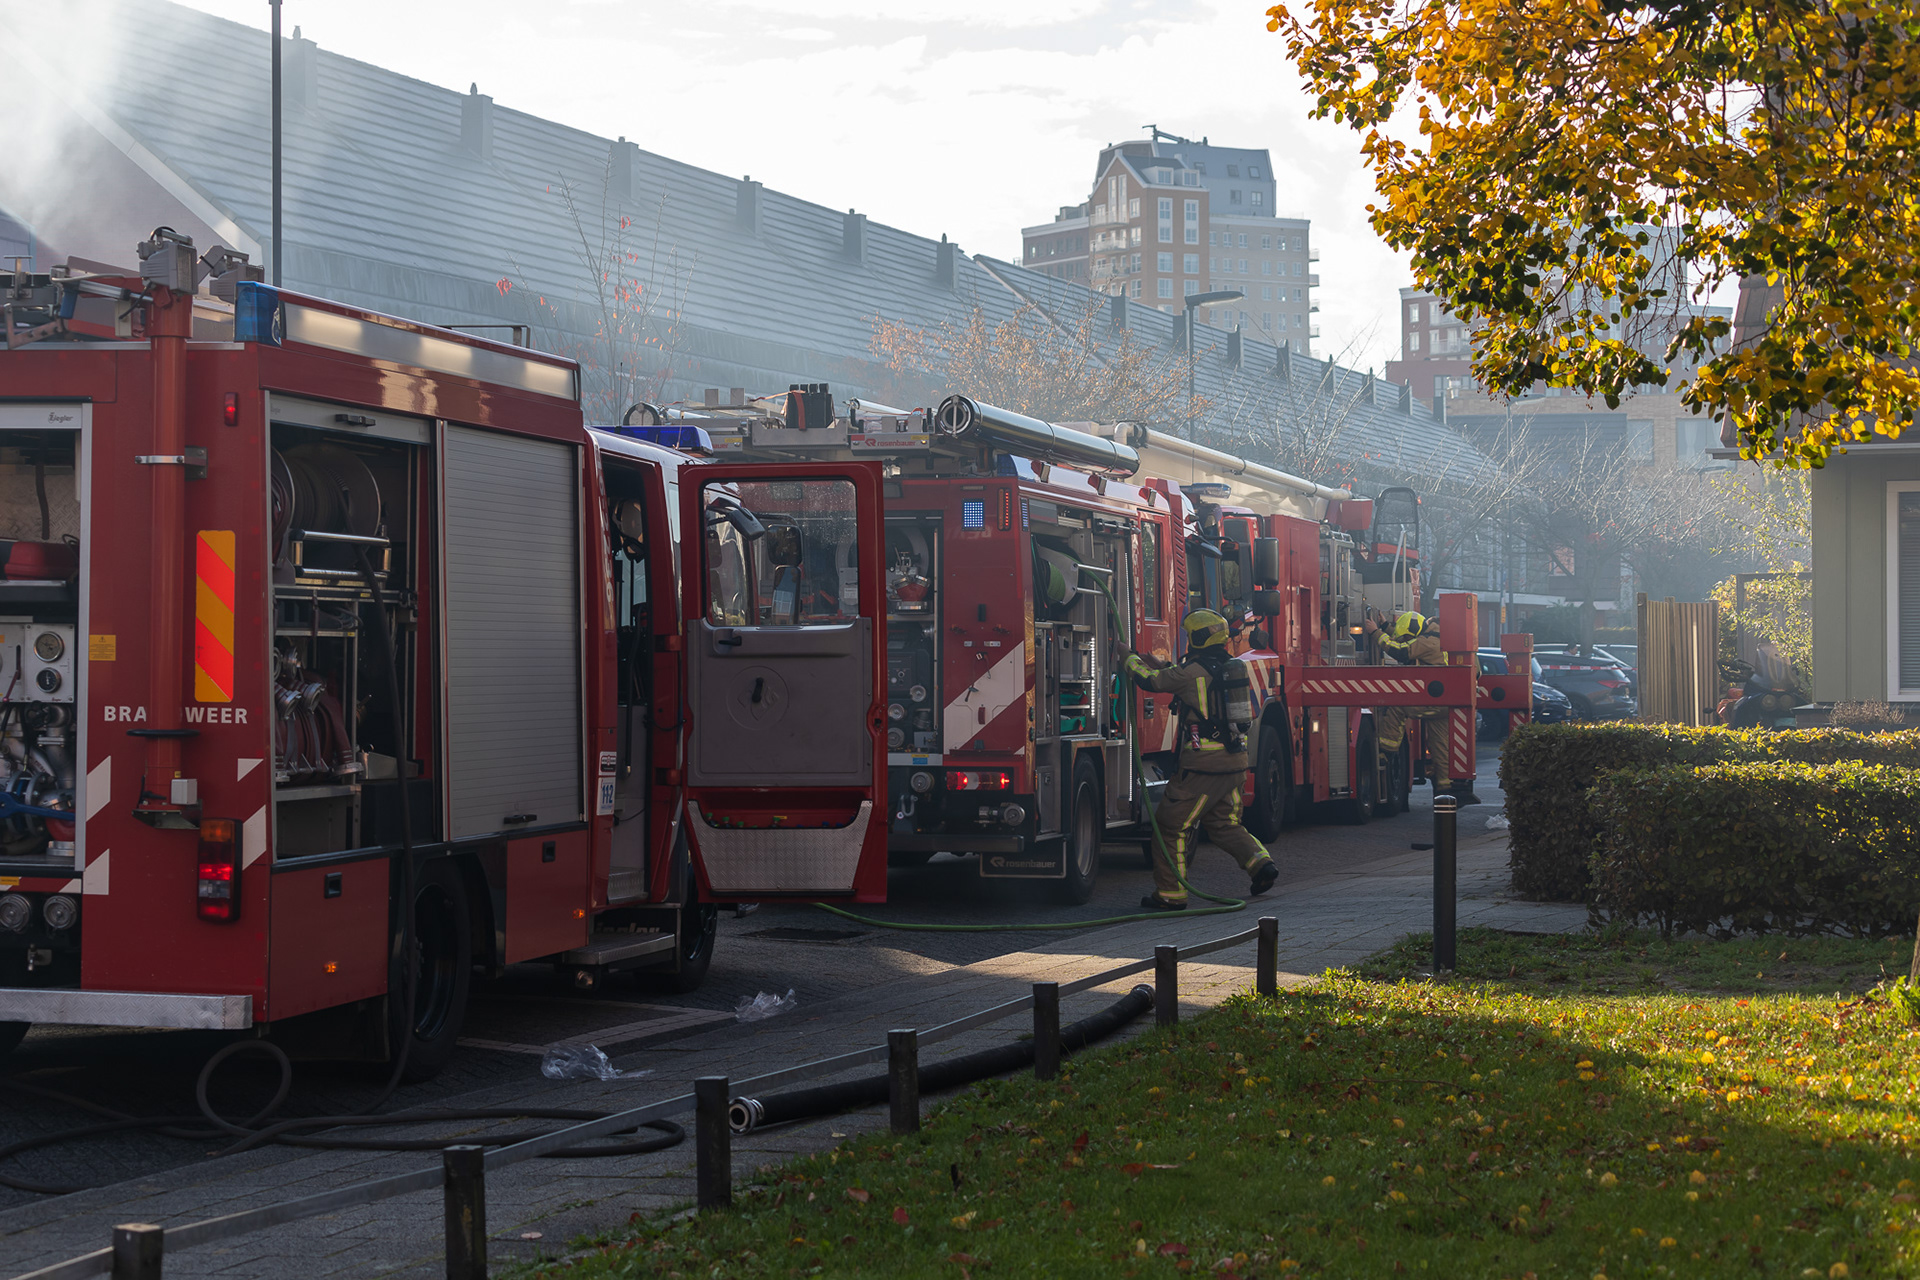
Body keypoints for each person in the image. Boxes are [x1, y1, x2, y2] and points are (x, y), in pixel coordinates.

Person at [1117, 608, 1280, 912]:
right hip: (1235, 763)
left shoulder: (1190, 672)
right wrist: (1160, 663)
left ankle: (1170, 894)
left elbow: (1151, 682)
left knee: (1170, 826)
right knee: (1223, 823)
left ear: (1196, 638)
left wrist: (1128, 658)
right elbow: (1186, 679)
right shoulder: (1232, 668)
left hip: (1202, 767)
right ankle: (1262, 865)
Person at [1363, 610, 1450, 793]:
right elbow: (1409, 641)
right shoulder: (1440, 636)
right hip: (1446, 703)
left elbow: (1401, 651)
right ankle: (1445, 789)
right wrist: (1387, 626)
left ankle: (1385, 751)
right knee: (1439, 745)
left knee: (1398, 705)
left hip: (1434, 702)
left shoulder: (1427, 642)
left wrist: (1375, 632)